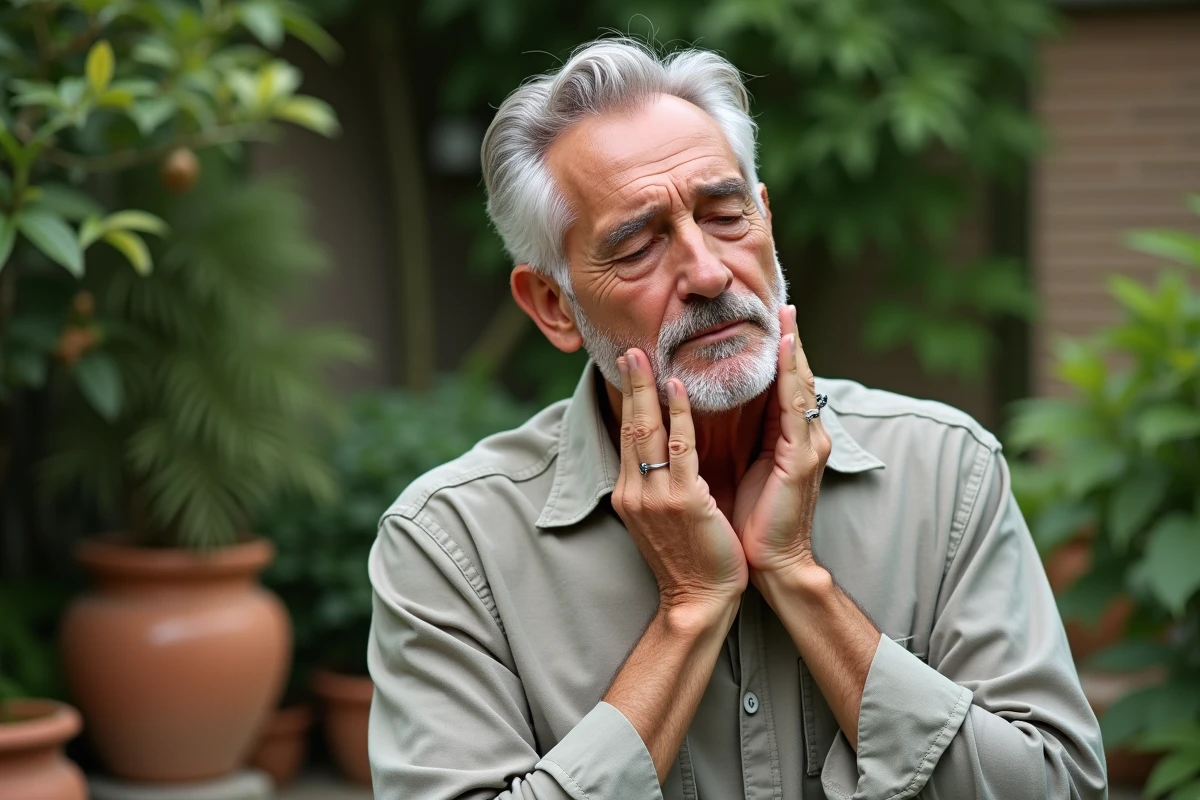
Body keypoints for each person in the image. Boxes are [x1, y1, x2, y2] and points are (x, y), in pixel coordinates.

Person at [366, 37, 1107, 800]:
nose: (710, 272)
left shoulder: (946, 470)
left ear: (766, 220)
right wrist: (689, 612)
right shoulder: (452, 546)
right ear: (554, 306)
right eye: (638, 246)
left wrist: (801, 582)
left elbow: (1061, 787)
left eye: (724, 214)